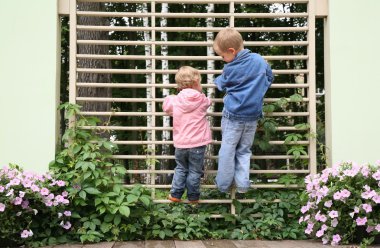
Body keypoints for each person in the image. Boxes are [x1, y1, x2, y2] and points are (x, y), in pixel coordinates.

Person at [213, 27, 274, 193]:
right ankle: (242, 185)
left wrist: (216, 79)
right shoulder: (259, 60)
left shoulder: (230, 68)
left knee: (227, 149)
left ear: (231, 51)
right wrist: (258, 90)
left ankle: (223, 185)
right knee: (244, 151)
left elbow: (221, 84)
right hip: (253, 116)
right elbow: (270, 77)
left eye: (223, 56)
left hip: (232, 115)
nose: (223, 59)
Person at [163, 66, 212, 203]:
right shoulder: (201, 100)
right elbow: (209, 102)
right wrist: (199, 91)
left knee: (181, 168)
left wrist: (171, 96)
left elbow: (166, 107)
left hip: (181, 143)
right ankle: (193, 197)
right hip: (198, 143)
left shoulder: (175, 100)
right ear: (197, 82)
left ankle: (175, 194)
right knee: (195, 171)